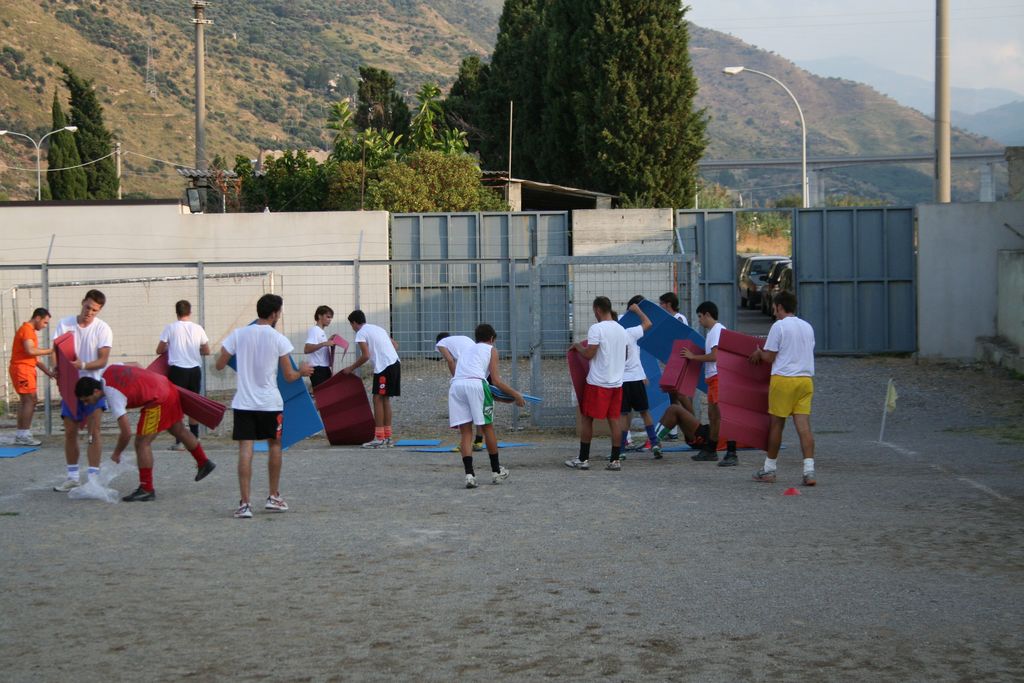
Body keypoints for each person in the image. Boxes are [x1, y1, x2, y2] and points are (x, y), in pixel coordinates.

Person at [215, 294, 313, 519]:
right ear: (275, 314)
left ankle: (245, 504)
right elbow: (289, 376)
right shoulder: (278, 339)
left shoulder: (239, 334)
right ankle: (273, 496)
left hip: (244, 402)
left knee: (245, 449)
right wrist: (302, 372)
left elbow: (219, 364)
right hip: (270, 403)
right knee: (275, 446)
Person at [74, 365, 216, 502]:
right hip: (167, 386)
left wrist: (117, 453)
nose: (86, 404)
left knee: (142, 443)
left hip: (158, 399)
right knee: (178, 429)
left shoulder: (112, 394)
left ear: (96, 391)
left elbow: (126, 433)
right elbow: (136, 365)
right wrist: (146, 383)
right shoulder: (109, 369)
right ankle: (204, 462)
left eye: (87, 400)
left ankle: (146, 489)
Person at [748, 291, 817, 486]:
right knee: (804, 427)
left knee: (777, 425)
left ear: (779, 307)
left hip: (784, 380)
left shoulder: (779, 326)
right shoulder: (807, 327)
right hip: (805, 380)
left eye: (774, 308)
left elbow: (770, 357)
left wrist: (759, 353)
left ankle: (769, 469)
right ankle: (809, 471)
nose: (773, 311)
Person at [449, 324, 525, 488]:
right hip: (476, 384)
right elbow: (495, 381)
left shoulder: (466, 350)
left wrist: (503, 397)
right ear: (492, 338)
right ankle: (496, 471)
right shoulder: (491, 350)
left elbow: (487, 385)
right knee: (487, 427)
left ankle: (469, 475)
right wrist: (516, 394)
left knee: (466, 432)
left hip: (456, 386)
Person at [52, 290, 112, 492]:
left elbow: (103, 360)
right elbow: (55, 351)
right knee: (70, 431)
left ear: (99, 310)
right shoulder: (65, 324)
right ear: (82, 302)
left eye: (95, 310)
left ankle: (93, 479)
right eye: (88, 307)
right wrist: (57, 367)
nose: (90, 313)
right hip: (70, 386)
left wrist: (83, 365)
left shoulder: (103, 328)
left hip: (93, 387)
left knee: (94, 432)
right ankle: (73, 477)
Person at [566, 296, 629, 471]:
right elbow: (625, 356)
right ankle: (615, 460)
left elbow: (589, 354)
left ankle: (583, 458)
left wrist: (577, 346)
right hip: (616, 383)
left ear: (598, 310)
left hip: (598, 382)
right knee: (614, 420)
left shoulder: (597, 328)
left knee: (587, 418)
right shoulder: (621, 329)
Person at [682, 301, 738, 466]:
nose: (699, 320)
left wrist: (693, 357)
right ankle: (711, 449)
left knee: (723, 416)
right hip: (714, 378)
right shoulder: (714, 331)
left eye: (700, 317)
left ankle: (732, 452)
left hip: (719, 377)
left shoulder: (716, 331)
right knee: (714, 416)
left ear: (707, 314)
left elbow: (715, 356)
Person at [157, 300, 210, 451]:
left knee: (177, 406)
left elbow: (159, 350)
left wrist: (171, 348)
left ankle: (180, 441)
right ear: (190, 312)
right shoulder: (198, 328)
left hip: (177, 370)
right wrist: (194, 351)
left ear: (177, 312)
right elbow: (206, 350)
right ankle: (195, 437)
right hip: (194, 370)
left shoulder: (170, 328)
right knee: (193, 405)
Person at [342, 310, 400, 448]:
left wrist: (351, 368)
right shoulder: (378, 328)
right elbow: (395, 345)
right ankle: (388, 438)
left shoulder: (361, 333)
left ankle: (379, 438)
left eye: (351, 325)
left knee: (377, 399)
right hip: (395, 363)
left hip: (384, 367)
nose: (352, 327)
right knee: (385, 399)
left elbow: (365, 355)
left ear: (354, 323)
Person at [618, 297, 661, 457]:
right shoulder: (629, 331)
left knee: (624, 414)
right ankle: (654, 442)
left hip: (622, 380)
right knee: (644, 411)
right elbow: (648, 323)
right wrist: (638, 311)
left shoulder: (614, 333)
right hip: (635, 378)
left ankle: (621, 448)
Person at [8, 308, 54, 446]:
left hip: (25, 369)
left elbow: (34, 358)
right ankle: (23, 434)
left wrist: (48, 372)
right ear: (38, 318)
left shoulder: (29, 331)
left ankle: (21, 433)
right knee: (30, 400)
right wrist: (51, 351)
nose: (45, 326)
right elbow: (30, 350)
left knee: (27, 401)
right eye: (45, 322)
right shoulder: (27, 330)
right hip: (22, 370)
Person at [436, 332, 485, 452]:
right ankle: (479, 441)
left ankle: (465, 443)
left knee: (464, 412)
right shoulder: (463, 339)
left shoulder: (441, 343)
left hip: (464, 380)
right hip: (478, 374)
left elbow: (450, 360)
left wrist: (455, 377)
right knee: (478, 411)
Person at [657, 291, 694, 434]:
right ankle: (672, 431)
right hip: (670, 361)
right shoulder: (668, 319)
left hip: (678, 361)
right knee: (672, 395)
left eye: (662, 303)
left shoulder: (679, 318)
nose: (660, 306)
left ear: (669, 304)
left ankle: (694, 425)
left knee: (681, 394)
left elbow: (681, 339)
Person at [304, 305, 337, 389]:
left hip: (324, 368)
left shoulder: (321, 331)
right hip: (318, 369)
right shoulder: (315, 330)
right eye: (328, 317)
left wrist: (328, 341)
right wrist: (324, 343)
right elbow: (307, 349)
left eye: (331, 318)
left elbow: (319, 347)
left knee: (328, 394)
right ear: (319, 316)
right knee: (323, 395)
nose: (329, 320)